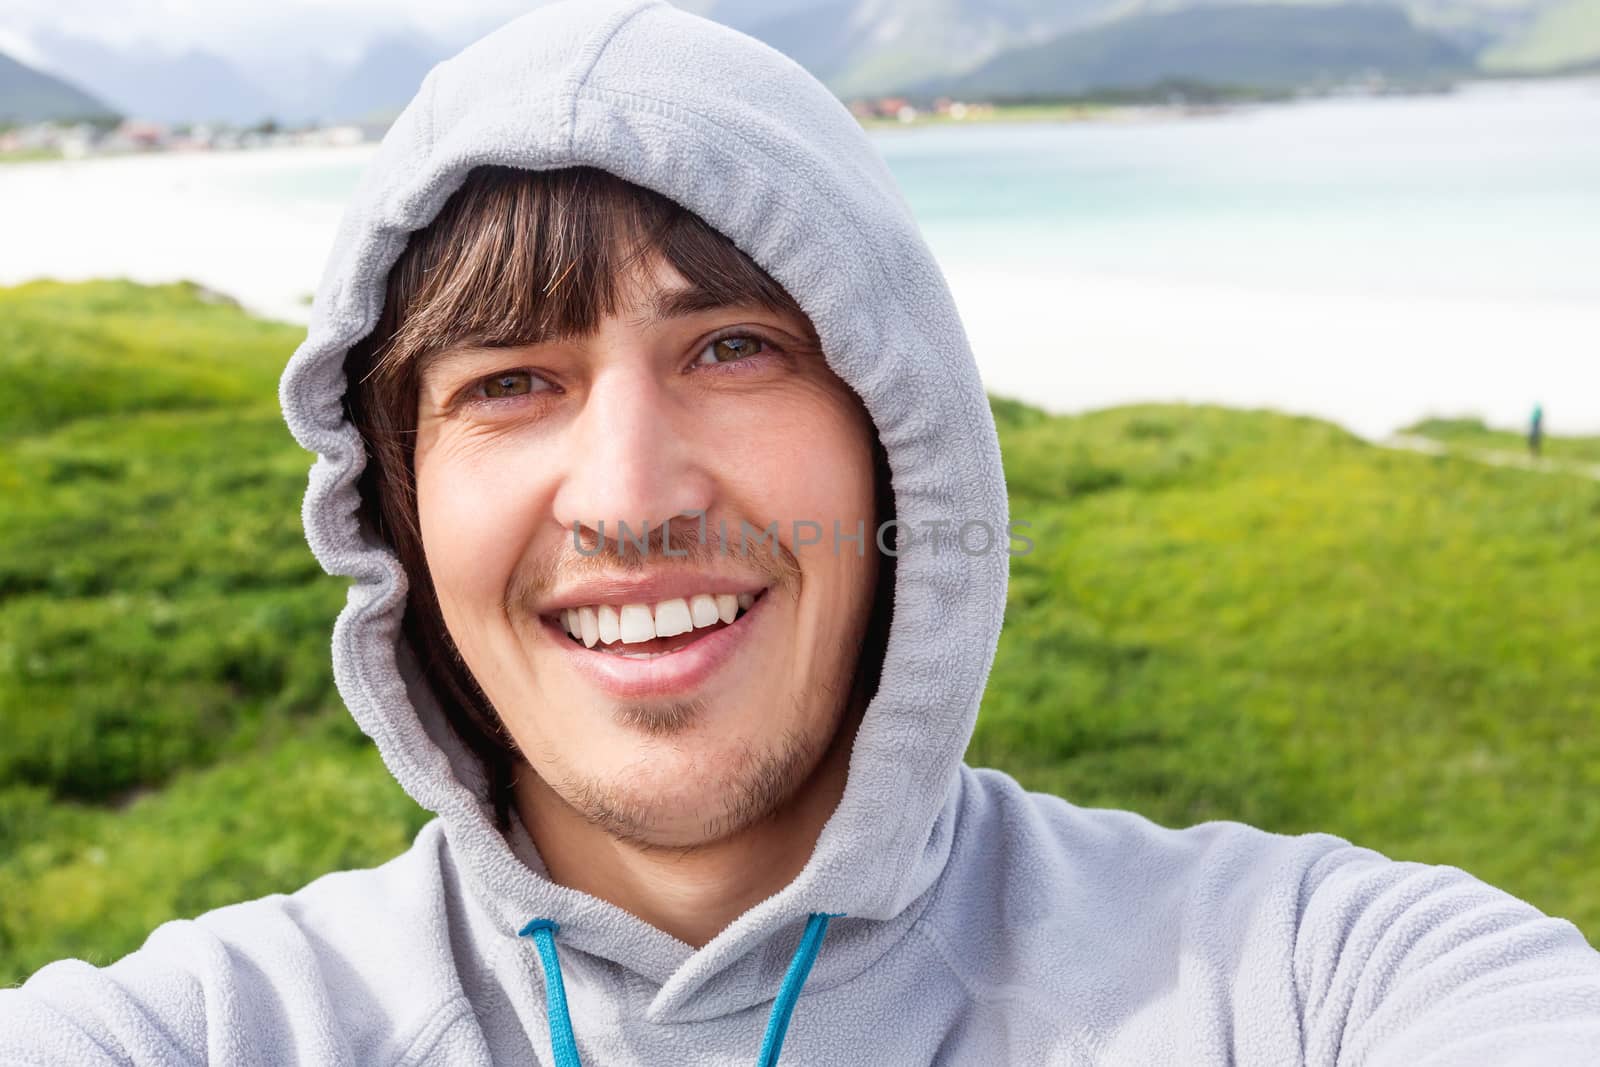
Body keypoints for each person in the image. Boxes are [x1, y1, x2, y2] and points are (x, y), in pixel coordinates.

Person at [5, 1, 1600, 1063]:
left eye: (734, 348)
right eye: (509, 381)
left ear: (902, 442)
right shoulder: (213, 1027)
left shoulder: (1314, 981)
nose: (629, 497)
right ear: (398, 509)